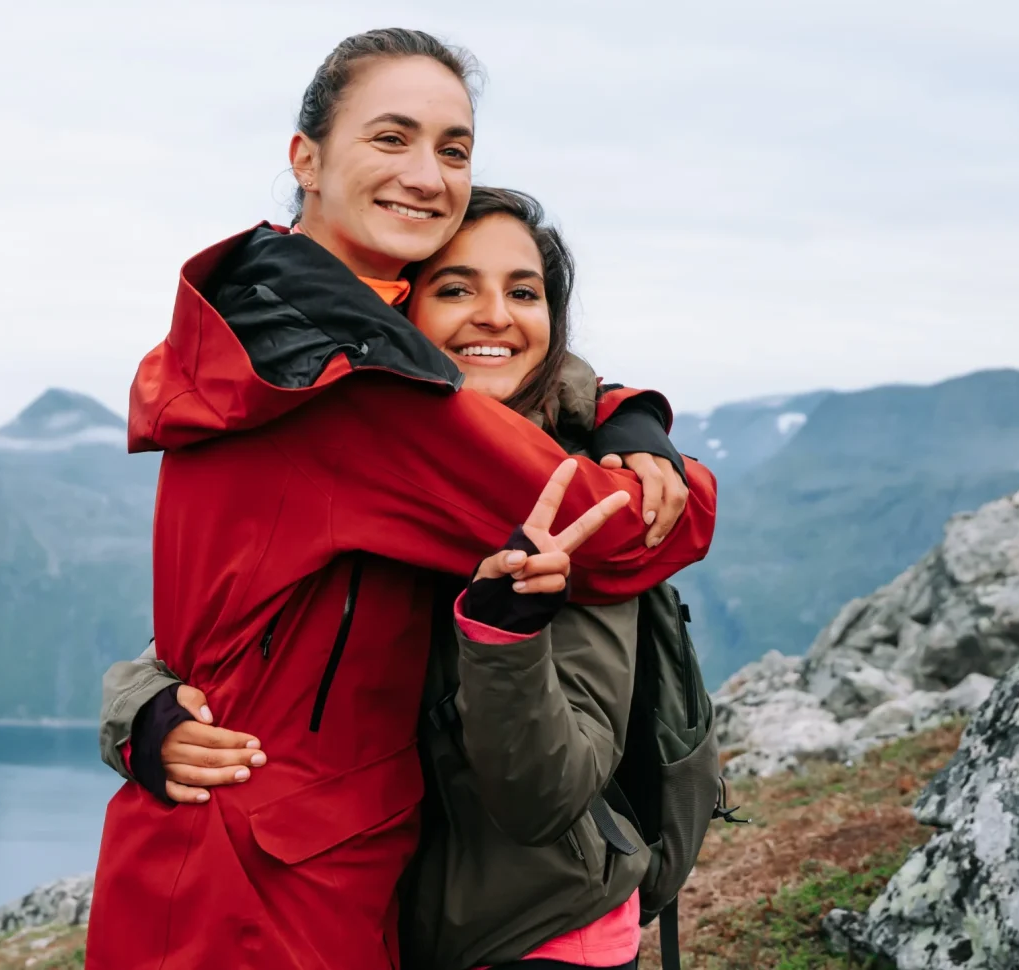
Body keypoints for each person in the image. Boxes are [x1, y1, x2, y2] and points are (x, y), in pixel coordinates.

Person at [84, 30, 716, 970]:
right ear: (306, 157)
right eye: (392, 138)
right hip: (266, 885)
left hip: (237, 855)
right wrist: (664, 461)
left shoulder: (260, 326)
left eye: (453, 149)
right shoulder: (358, 381)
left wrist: (618, 410)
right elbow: (619, 533)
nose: (427, 173)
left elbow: (261, 605)